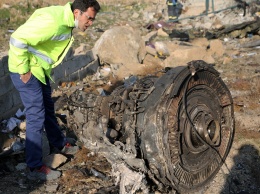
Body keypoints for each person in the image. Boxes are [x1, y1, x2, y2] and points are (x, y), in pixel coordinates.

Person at [8, 0, 100, 181]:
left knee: (48, 108)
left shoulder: (64, 19)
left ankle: (59, 143)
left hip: (38, 69)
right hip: (26, 70)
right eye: (89, 18)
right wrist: (24, 70)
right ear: (77, 13)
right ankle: (34, 167)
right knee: (36, 115)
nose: (90, 23)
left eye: (93, 20)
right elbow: (17, 39)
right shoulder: (54, 21)